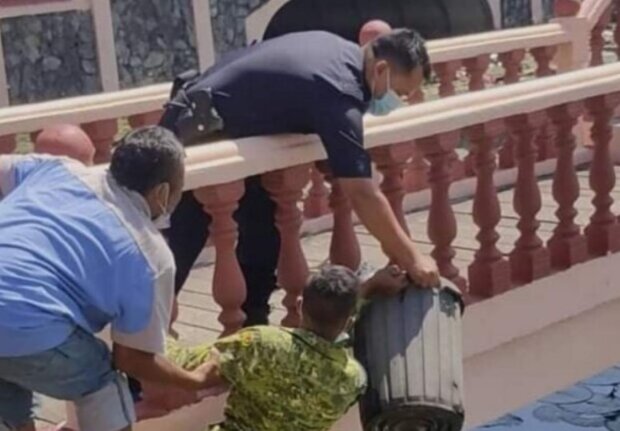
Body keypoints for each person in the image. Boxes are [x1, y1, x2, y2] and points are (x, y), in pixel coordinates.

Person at [160, 28, 439, 328]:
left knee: (263, 236)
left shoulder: (337, 50)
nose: (397, 102)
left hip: (234, 134)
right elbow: (362, 192)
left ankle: (252, 328)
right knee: (173, 254)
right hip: (194, 140)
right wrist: (411, 258)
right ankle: (134, 360)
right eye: (401, 93)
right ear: (381, 69)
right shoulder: (339, 89)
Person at [0, 127, 216, 431]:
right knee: (101, 381)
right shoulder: (150, 254)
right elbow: (133, 359)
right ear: (163, 194)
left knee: (11, 380)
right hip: (26, 322)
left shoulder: (58, 170)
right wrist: (195, 379)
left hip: (19, 321)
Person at [146, 264, 410, 431]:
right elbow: (337, 328)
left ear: (298, 306)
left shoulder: (262, 345)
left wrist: (156, 326)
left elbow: (181, 360)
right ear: (351, 318)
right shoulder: (353, 379)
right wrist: (369, 288)